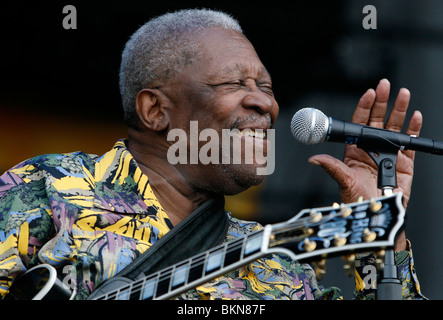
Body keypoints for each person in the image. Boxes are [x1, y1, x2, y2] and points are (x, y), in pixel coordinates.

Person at [0, 8, 424, 300]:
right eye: (234, 84)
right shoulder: (49, 190)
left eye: (268, 88)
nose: (266, 105)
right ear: (155, 110)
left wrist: (382, 230)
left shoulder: (278, 266)